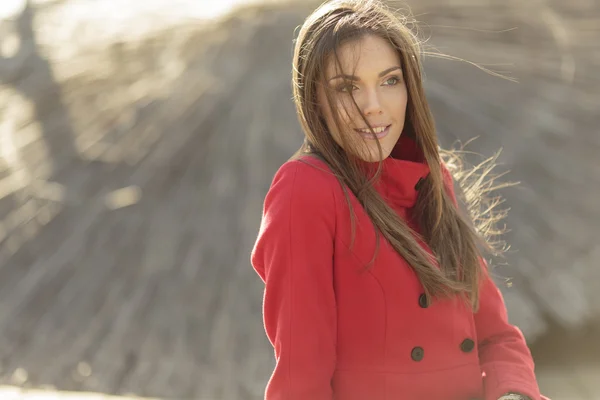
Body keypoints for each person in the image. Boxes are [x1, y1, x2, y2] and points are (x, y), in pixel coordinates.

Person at [251, 0, 548, 399]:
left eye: (390, 80)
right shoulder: (305, 190)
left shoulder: (434, 180)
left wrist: (513, 394)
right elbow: (302, 379)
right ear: (314, 99)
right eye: (347, 87)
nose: (373, 105)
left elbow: (496, 337)